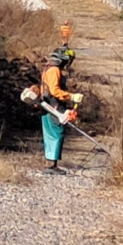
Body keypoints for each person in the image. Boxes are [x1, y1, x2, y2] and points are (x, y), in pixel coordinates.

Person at [40, 47, 82, 175]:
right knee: (56, 132)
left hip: (49, 105)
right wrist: (71, 96)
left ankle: (52, 164)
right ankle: (52, 166)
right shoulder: (54, 70)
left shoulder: (49, 69)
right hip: (54, 105)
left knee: (52, 133)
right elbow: (54, 91)